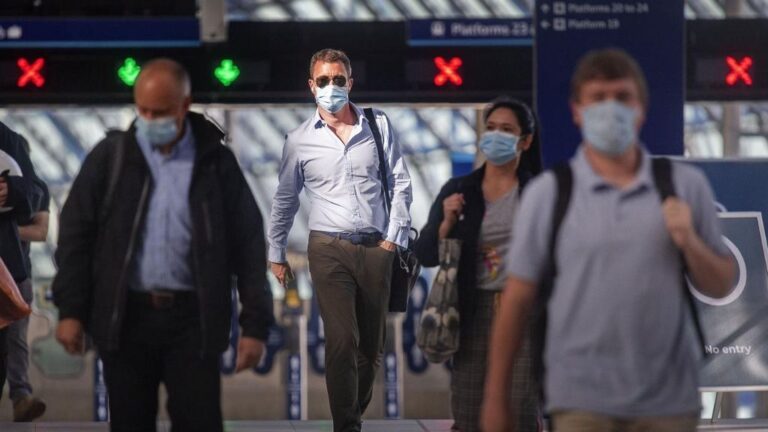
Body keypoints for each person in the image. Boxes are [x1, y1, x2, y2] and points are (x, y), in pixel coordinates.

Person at [480, 48, 736, 432]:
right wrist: (496, 398)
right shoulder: (550, 194)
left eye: (622, 97)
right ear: (577, 111)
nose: (610, 108)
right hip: (580, 401)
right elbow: (516, 300)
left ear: (641, 109)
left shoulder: (683, 185)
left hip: (668, 403)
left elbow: (722, 283)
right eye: (598, 98)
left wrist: (689, 240)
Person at [52, 58, 275, 432]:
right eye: (143, 111)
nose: (150, 120)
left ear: (185, 105)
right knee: (130, 422)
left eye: (161, 112)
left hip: (193, 320)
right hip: (125, 319)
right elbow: (76, 234)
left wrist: (255, 326)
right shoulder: (112, 159)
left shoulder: (215, 164)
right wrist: (71, 310)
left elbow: (248, 245)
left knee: (199, 422)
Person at [268, 48, 412, 432]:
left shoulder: (378, 126)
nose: (331, 87)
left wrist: (393, 240)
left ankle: (353, 415)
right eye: (323, 80)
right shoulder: (299, 140)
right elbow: (285, 199)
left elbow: (400, 181)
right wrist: (275, 252)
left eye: (338, 79)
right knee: (342, 339)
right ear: (311, 86)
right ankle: (346, 426)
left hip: (377, 247)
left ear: (350, 83)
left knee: (371, 348)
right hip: (327, 248)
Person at [414, 97, 541, 432]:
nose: (496, 135)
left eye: (507, 130)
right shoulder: (459, 190)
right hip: (471, 309)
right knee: (470, 407)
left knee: (522, 407)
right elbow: (425, 253)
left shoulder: (538, 192)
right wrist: (446, 223)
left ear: (524, 141)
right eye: (492, 128)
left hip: (524, 310)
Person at [7, 139, 49, 422]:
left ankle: (21, 394)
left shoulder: (36, 191)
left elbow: (41, 231)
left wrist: (7, 230)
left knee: (16, 338)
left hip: (17, 271)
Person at [0, 121, 41, 408]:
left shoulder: (7, 140)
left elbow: (33, 193)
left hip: (5, 274)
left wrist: (11, 191)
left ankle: (20, 395)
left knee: (7, 346)